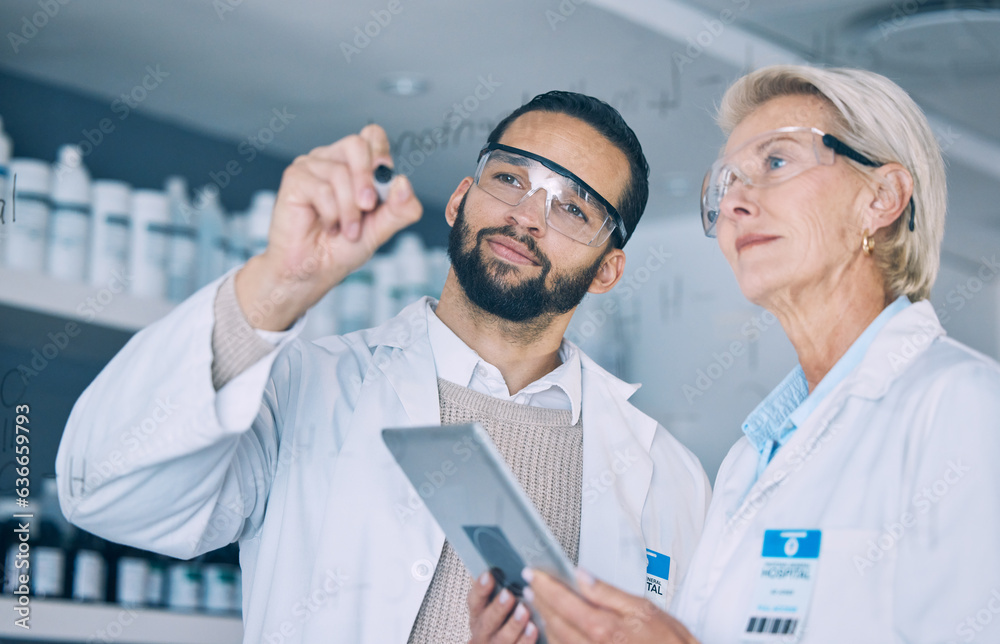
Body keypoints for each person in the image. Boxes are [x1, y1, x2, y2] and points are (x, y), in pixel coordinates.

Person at [55, 91, 710, 643]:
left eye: (572, 207)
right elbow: (105, 491)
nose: (526, 215)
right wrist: (276, 285)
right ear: (461, 199)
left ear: (607, 269)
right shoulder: (309, 391)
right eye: (510, 177)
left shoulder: (668, 479)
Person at [500, 66, 1000, 643]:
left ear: (880, 198)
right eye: (727, 181)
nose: (735, 200)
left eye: (777, 162)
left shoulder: (960, 406)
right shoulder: (747, 460)